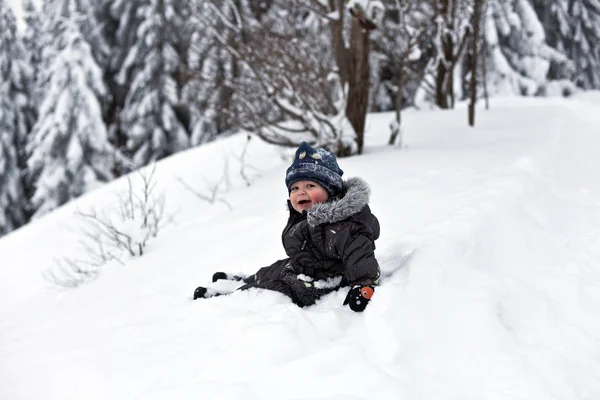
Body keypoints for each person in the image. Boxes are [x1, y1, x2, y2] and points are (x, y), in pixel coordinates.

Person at [193, 141, 381, 312]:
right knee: (275, 269)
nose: (300, 193)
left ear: (330, 190)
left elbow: (359, 252)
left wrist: (363, 285)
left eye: (310, 186)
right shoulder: (307, 216)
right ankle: (246, 279)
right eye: (294, 188)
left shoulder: (340, 225)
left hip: (322, 283)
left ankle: (232, 298)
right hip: (305, 267)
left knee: (274, 288)